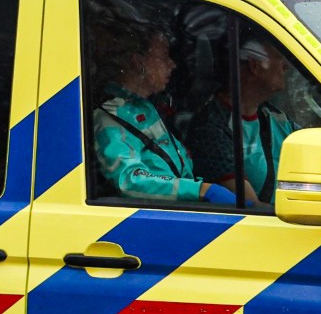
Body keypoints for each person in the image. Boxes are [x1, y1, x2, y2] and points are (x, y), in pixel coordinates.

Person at [91, 27, 241, 205]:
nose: (172, 64)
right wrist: (200, 190)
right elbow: (129, 180)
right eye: (163, 57)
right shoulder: (109, 115)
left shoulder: (147, 106)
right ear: (139, 63)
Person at [188, 33, 298, 205]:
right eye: (278, 58)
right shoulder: (211, 128)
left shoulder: (274, 116)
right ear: (255, 65)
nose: (286, 66)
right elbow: (250, 206)